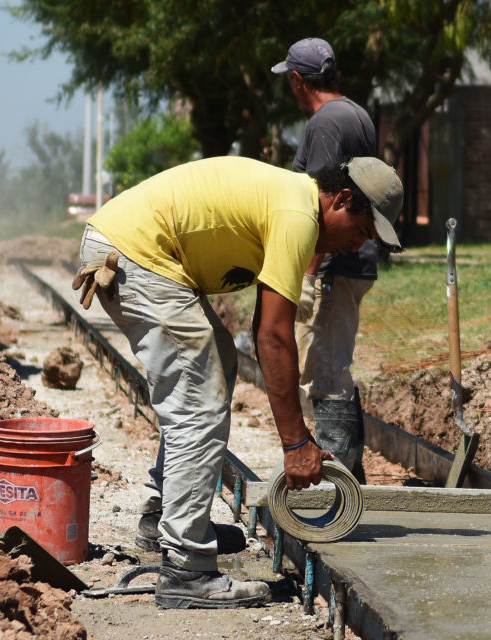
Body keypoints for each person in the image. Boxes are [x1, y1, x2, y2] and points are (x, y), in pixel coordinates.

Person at [74, 155, 403, 609]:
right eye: (363, 231)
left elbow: (265, 327)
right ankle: (187, 569)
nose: (358, 245)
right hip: (136, 252)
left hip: (137, 248)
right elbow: (271, 336)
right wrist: (295, 444)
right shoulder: (298, 215)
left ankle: (163, 520)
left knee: (218, 361)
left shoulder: (294, 204)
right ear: (343, 199)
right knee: (199, 399)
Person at [272, 37, 395, 483]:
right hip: (355, 260)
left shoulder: (324, 123)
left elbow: (319, 209)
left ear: (298, 80)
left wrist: (305, 274)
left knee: (323, 373)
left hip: (331, 263)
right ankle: (352, 476)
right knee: (334, 366)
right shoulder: (357, 113)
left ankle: (338, 489)